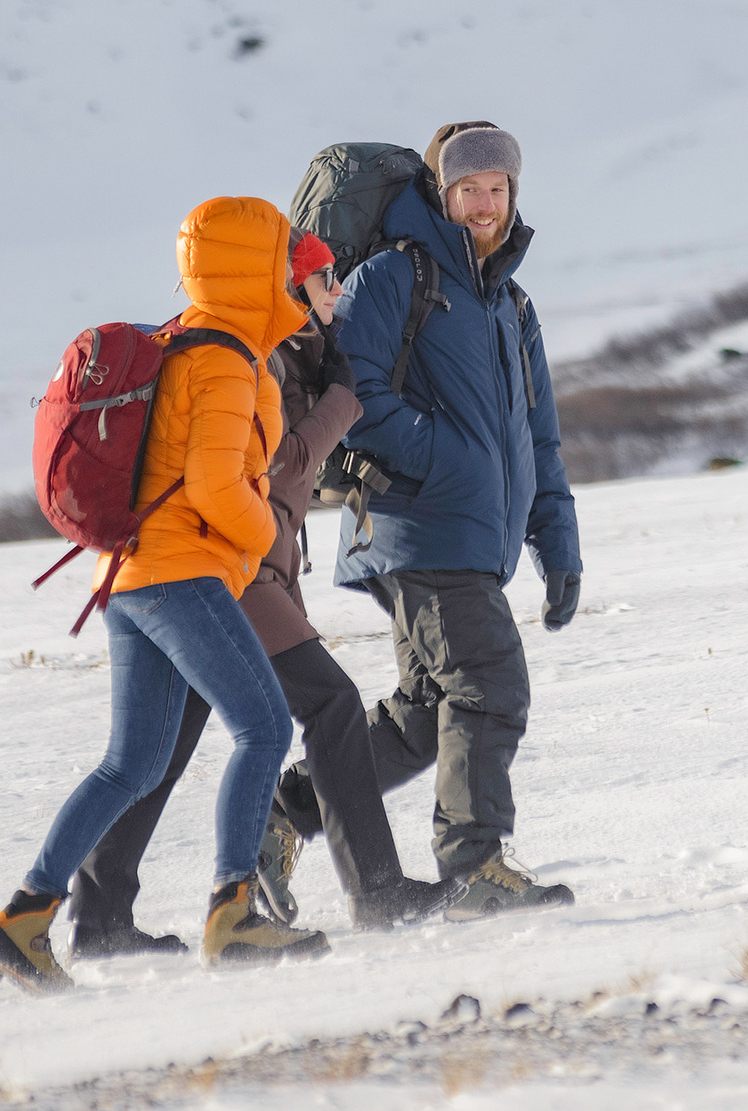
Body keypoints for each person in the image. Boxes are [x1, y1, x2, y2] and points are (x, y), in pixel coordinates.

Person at [0, 196, 326, 992]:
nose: (292, 273)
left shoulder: (189, 342)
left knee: (132, 763)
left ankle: (20, 924)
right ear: (256, 268)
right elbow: (211, 482)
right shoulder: (227, 358)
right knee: (264, 729)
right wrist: (266, 534)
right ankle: (233, 916)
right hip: (175, 572)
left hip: (127, 573)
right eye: (281, 256)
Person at [63, 232, 451, 955]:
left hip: (239, 571)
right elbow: (272, 468)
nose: (336, 292)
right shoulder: (258, 360)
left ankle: (99, 917)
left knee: (165, 748)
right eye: (323, 279)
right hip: (224, 570)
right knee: (330, 704)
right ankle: (377, 888)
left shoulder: (292, 355)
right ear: (290, 291)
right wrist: (344, 403)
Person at [305, 120, 584, 918]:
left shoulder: (509, 302)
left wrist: (556, 547)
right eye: (468, 189)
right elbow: (351, 397)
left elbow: (538, 438)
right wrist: (443, 458)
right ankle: (473, 866)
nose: (484, 204)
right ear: (442, 192)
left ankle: (280, 819)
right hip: (415, 523)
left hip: (468, 535)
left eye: (497, 189)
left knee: (430, 716)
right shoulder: (399, 275)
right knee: (490, 684)